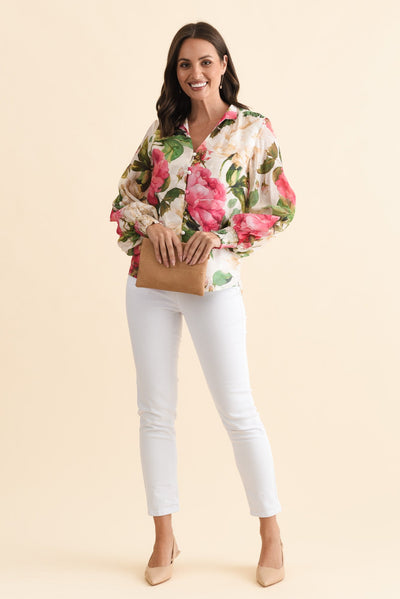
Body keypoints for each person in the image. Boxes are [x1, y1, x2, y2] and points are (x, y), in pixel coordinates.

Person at [109, 21, 296, 587]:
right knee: (154, 412)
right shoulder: (163, 130)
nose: (195, 74)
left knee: (237, 410)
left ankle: (271, 535)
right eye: (185, 64)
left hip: (213, 285)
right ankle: (164, 537)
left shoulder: (252, 129)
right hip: (150, 283)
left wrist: (221, 235)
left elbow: (279, 206)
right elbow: (125, 195)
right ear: (176, 72)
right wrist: (152, 225)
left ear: (223, 64)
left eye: (205, 62)